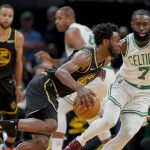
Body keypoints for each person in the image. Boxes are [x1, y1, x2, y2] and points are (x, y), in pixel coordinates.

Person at [0, 22, 121, 150]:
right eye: (116, 40)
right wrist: (79, 89)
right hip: (44, 87)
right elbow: (60, 72)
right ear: (106, 42)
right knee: (52, 126)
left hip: (53, 93)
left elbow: (70, 63)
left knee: (40, 144)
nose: (119, 44)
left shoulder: (104, 60)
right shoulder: (86, 55)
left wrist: (97, 72)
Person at [64, 9, 150, 150]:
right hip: (123, 86)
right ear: (132, 24)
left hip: (143, 94)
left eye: (145, 24)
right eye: (138, 24)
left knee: (127, 133)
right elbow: (101, 53)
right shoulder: (125, 43)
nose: (141, 27)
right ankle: (79, 142)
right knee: (109, 120)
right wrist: (98, 67)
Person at [36, 6, 112, 150]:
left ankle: (57, 148)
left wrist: (97, 68)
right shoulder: (85, 29)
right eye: (55, 18)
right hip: (105, 76)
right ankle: (110, 145)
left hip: (94, 76)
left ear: (70, 18)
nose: (56, 21)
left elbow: (85, 53)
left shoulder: (72, 31)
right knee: (90, 112)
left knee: (57, 107)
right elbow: (77, 60)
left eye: (60, 18)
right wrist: (52, 61)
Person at [0, 4, 24, 150]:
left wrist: (18, 87)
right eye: (4, 15)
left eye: (10, 16)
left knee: (12, 123)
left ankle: (8, 146)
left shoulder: (18, 36)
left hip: (8, 84)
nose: (7, 18)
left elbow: (19, 63)